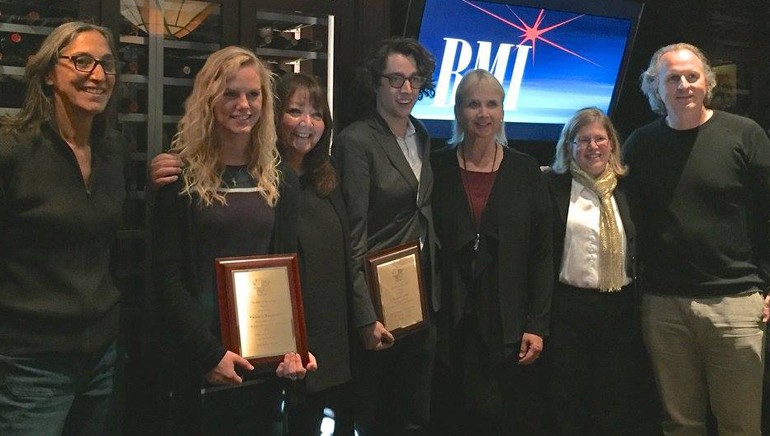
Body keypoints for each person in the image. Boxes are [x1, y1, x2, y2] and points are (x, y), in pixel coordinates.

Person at [146, 46, 316, 435]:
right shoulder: (179, 179)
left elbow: (288, 269)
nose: (244, 104)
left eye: (253, 94)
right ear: (209, 99)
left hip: (262, 361)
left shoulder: (281, 180)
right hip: (199, 359)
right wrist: (209, 353)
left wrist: (293, 346)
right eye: (230, 94)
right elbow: (167, 276)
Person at [623, 42, 770, 435]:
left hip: (736, 303)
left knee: (740, 426)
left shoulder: (745, 135)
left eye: (692, 76)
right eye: (673, 78)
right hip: (664, 306)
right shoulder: (640, 143)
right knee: (680, 425)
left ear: (708, 81)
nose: (684, 85)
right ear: (656, 87)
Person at [0, 22, 125, 435]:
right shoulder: (13, 149)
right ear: (49, 73)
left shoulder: (112, 150)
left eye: (106, 64)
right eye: (82, 61)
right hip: (31, 365)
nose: (98, 75)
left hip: (101, 358)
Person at [429, 69, 553, 435]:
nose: (483, 113)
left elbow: (542, 252)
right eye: (473, 104)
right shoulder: (435, 166)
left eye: (491, 104)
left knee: (500, 416)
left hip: (508, 325)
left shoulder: (527, 170)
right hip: (448, 323)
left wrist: (536, 323)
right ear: (458, 111)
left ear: (502, 111)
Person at [333, 37, 440, 435]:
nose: (406, 89)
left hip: (420, 301)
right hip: (378, 306)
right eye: (395, 79)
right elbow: (352, 237)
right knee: (376, 419)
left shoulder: (423, 136)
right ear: (376, 82)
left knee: (411, 415)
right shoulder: (356, 141)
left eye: (414, 80)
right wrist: (365, 317)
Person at [547, 107, 658, 435]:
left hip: (619, 309)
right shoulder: (551, 188)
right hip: (567, 309)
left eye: (600, 138)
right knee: (567, 397)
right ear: (569, 147)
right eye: (583, 140)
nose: (593, 146)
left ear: (612, 144)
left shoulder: (628, 190)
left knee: (614, 396)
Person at [274, 72, 360, 435]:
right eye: (295, 111)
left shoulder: (329, 179)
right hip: (288, 348)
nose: (307, 124)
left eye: (316, 113)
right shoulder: (261, 181)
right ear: (274, 116)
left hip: (336, 342)